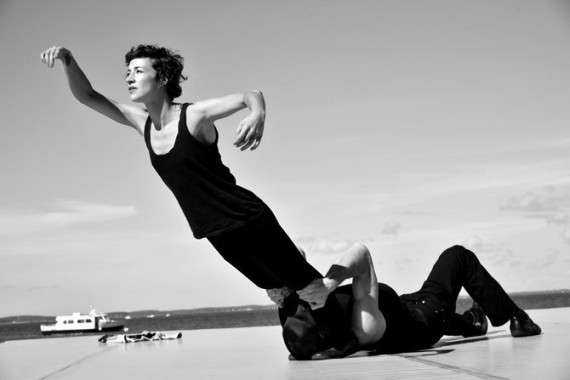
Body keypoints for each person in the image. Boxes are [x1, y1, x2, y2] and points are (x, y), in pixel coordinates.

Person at [40, 44, 354, 342]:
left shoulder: (194, 115)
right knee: (282, 296)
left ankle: (363, 314)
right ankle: (319, 337)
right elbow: (88, 96)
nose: (128, 77)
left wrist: (257, 114)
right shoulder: (141, 122)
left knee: (310, 290)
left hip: (247, 218)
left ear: (161, 77)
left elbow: (250, 94)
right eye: (127, 72)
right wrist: (68, 60)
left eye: (138, 71)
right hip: (214, 231)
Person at [269, 243, 542, 360]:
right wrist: (330, 283)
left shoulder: (301, 327)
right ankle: (517, 317)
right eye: (302, 313)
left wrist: (277, 285)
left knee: (454, 318)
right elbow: (361, 253)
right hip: (425, 320)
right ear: (323, 334)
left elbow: (296, 254)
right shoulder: (364, 326)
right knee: (458, 256)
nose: (301, 309)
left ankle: (474, 321)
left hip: (405, 309)